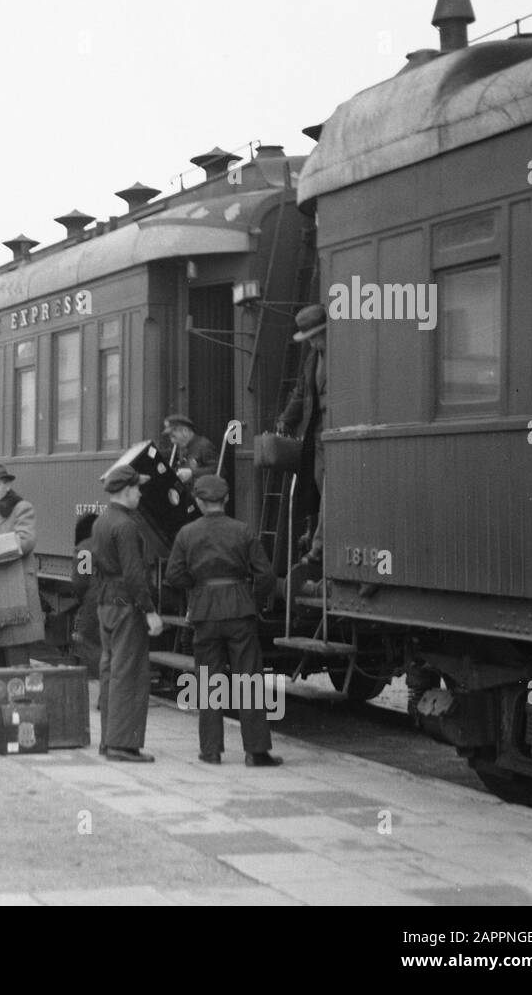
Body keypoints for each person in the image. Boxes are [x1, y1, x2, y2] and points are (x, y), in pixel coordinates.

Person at [165, 474, 281, 767]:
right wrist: (249, 597)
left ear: (199, 502)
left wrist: (200, 587)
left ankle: (211, 750)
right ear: (226, 500)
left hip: (205, 611)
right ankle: (256, 751)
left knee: (208, 680)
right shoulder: (242, 531)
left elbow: (173, 576)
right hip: (240, 609)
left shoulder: (186, 533)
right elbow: (266, 575)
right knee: (248, 679)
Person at [90, 464, 158, 763]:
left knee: (109, 671)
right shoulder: (127, 525)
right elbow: (133, 574)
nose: (141, 494)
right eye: (138, 489)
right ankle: (122, 744)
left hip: (106, 603)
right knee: (128, 674)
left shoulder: (101, 521)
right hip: (126, 605)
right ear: (127, 490)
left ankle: (108, 740)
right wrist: (150, 610)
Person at [0, 464, 46, 667]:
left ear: (8, 485)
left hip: (13, 595)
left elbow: (25, 541)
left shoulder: (21, 508)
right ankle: (4, 699)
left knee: (16, 663)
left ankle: (20, 699)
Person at [277, 303, 328, 573]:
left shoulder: (339, 353)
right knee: (320, 487)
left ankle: (319, 546)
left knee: (330, 487)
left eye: (315, 336)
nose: (312, 342)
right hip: (317, 432)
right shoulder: (312, 358)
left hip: (333, 430)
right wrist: (286, 419)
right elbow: (300, 392)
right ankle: (316, 540)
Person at [69, 512, 102, 679]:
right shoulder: (114, 543)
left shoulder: (84, 549)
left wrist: (83, 599)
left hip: (93, 606)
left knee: (91, 649)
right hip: (119, 603)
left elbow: (80, 583)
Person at [161, 415, 219, 487]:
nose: (172, 441)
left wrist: (192, 473)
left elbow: (218, 470)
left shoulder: (204, 446)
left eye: (174, 436)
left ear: (185, 431)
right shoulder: (180, 447)